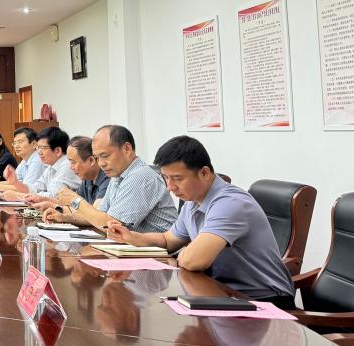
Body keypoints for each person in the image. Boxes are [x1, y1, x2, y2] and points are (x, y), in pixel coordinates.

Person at [106, 136, 294, 306]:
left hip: (263, 301)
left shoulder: (230, 203)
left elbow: (194, 261)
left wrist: (185, 254)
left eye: (177, 179)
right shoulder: (193, 201)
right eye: (166, 178)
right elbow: (168, 240)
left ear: (204, 173)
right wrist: (132, 237)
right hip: (220, 292)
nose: (170, 187)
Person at [64, 124, 177, 234]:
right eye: (97, 158)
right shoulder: (117, 176)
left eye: (105, 156)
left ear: (127, 149)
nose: (101, 164)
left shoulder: (140, 176)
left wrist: (76, 201)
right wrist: (65, 216)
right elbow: (98, 216)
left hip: (159, 247)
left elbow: (112, 228)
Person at [38, 136, 109, 219]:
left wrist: (74, 200)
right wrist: (47, 202)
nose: (71, 168)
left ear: (91, 160)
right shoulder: (87, 179)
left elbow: (96, 216)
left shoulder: (107, 178)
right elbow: (75, 208)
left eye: (73, 162)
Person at [2, 126, 80, 201]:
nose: (39, 152)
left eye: (43, 148)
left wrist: (18, 196)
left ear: (58, 151)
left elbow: (55, 197)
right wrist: (15, 182)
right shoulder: (51, 167)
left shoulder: (67, 166)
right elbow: (35, 188)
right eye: (38, 147)